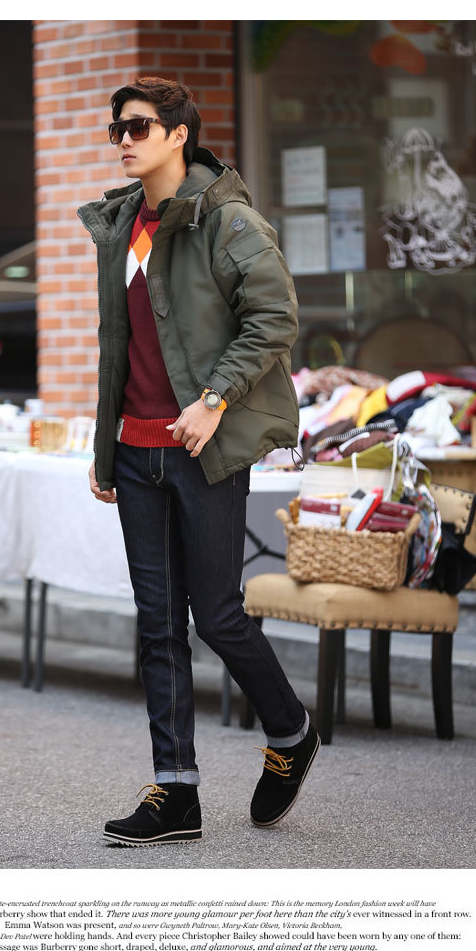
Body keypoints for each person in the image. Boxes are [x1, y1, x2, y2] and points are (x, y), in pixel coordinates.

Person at [78, 72, 319, 844]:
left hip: (202, 449)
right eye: (118, 128)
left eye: (139, 127)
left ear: (179, 135)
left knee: (215, 614)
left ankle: (291, 733)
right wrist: (105, 449)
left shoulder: (226, 220)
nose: (124, 140)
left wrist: (213, 401)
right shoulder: (120, 224)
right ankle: (175, 793)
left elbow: (274, 317)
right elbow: (120, 348)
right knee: (157, 625)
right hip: (136, 452)